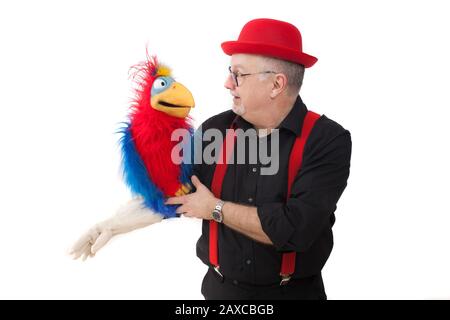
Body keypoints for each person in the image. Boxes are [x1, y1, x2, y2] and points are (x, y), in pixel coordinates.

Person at [165, 18, 352, 300]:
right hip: (220, 294)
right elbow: (169, 193)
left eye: (238, 74)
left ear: (276, 84)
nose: (227, 83)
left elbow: (294, 229)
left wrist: (215, 208)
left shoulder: (326, 140)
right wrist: (109, 226)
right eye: (230, 72)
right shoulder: (214, 131)